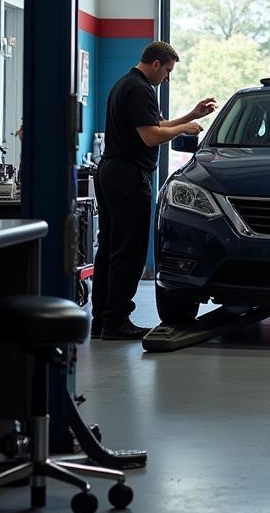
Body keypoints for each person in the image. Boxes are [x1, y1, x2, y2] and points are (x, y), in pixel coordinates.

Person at [92, 41, 216, 340]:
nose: (168, 78)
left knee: (110, 248)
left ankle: (103, 319)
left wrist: (190, 115)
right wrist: (185, 130)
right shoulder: (139, 89)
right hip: (128, 177)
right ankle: (117, 320)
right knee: (128, 252)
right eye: (168, 71)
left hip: (112, 173)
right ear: (157, 64)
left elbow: (156, 124)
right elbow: (151, 136)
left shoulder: (126, 84)